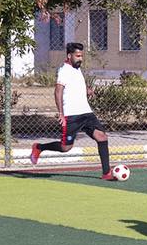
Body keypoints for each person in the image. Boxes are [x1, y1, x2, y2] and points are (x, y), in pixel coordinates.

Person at [30, 42, 115, 180]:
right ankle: (39, 147)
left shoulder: (77, 68)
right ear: (69, 56)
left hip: (86, 113)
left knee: (102, 137)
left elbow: (75, 84)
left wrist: (86, 90)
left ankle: (106, 173)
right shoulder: (64, 70)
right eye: (78, 56)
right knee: (65, 148)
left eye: (81, 56)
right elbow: (58, 91)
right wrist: (61, 114)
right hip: (72, 116)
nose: (80, 58)